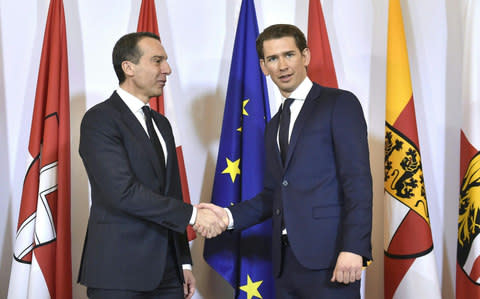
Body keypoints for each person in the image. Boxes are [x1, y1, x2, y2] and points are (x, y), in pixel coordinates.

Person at [198, 24, 373, 298]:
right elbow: (274, 194)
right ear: (263, 66)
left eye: (289, 55)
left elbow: (358, 181)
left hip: (332, 259)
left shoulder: (339, 103)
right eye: (272, 59)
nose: (282, 65)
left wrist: (354, 248)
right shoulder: (275, 124)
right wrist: (228, 216)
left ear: (306, 56)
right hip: (285, 264)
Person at [77, 32, 225, 299]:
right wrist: (193, 215)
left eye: (165, 61)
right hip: (119, 273)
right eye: (157, 61)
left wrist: (183, 262)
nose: (167, 69)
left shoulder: (161, 124)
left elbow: (171, 193)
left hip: (168, 274)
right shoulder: (99, 120)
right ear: (128, 67)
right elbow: (122, 192)